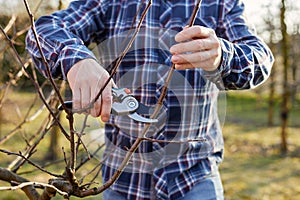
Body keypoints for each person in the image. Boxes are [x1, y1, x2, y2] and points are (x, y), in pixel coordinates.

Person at [26, 0, 274, 199]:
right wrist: (77, 61)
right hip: (121, 180)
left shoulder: (218, 3)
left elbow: (261, 58)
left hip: (195, 178)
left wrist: (223, 55)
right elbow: (43, 31)